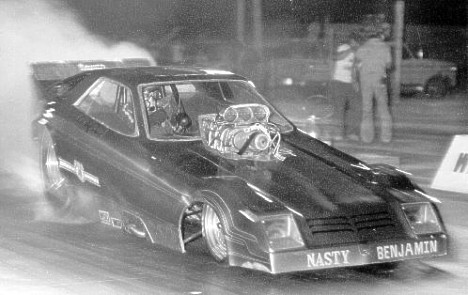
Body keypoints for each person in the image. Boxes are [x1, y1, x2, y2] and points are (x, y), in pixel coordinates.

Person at [355, 27, 393, 143]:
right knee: (383, 109)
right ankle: (386, 138)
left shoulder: (361, 48)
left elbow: (357, 66)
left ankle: (367, 138)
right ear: (378, 35)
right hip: (379, 80)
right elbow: (389, 65)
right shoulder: (384, 47)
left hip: (365, 80)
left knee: (367, 109)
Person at [328, 36, 361, 141]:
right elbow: (337, 57)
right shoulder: (343, 47)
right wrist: (351, 49)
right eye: (356, 42)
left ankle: (352, 133)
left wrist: (355, 81)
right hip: (338, 82)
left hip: (350, 84)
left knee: (355, 108)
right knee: (339, 109)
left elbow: (354, 68)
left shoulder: (357, 52)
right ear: (352, 41)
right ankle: (338, 134)